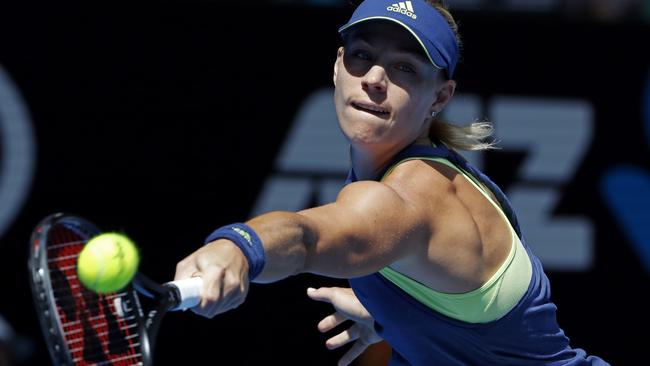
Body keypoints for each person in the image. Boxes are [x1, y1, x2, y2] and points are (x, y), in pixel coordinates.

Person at [174, 0, 609, 364]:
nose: (375, 79)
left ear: (440, 97)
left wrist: (239, 247)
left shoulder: (415, 195)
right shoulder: (442, 172)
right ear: (337, 68)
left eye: (404, 67)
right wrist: (392, 316)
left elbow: (306, 238)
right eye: (362, 55)